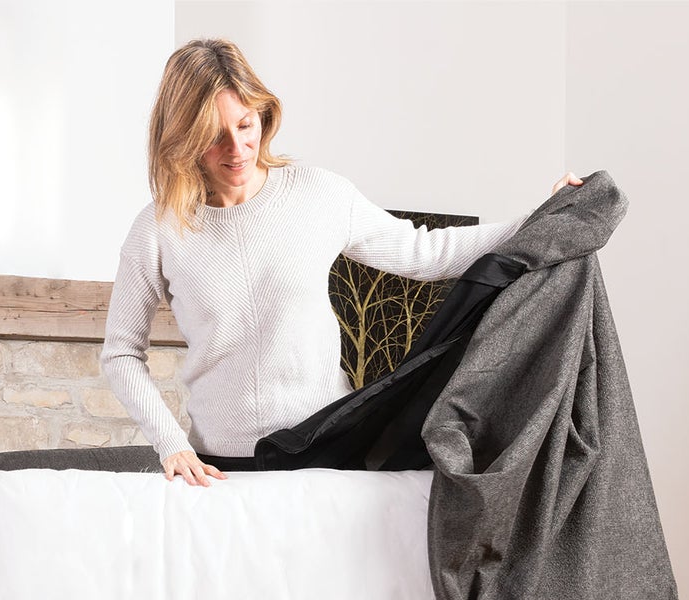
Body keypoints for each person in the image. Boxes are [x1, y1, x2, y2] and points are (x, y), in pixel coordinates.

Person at [99, 38, 580, 486]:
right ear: (183, 136)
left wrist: (541, 218)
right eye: (214, 135)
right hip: (222, 471)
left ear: (263, 114)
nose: (237, 148)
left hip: (326, 454)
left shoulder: (318, 194)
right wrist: (170, 444)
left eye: (245, 124)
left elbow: (427, 252)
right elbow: (121, 351)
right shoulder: (157, 229)